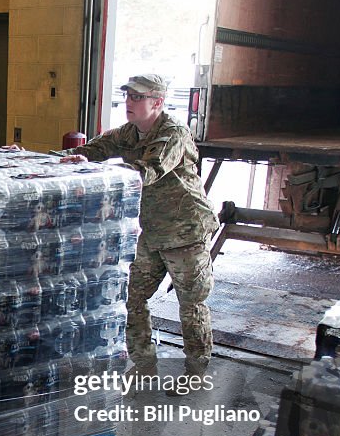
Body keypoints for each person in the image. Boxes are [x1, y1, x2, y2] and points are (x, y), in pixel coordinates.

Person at [58, 74, 219, 378]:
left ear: (157, 102)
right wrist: (41, 162)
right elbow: (89, 152)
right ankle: (144, 365)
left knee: (191, 305)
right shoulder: (129, 133)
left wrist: (100, 176)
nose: (129, 102)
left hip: (186, 231)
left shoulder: (173, 133)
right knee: (130, 297)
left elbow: (147, 171)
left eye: (138, 97)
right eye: (128, 96)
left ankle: (196, 372)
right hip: (151, 233)